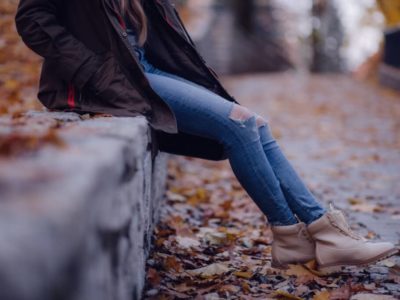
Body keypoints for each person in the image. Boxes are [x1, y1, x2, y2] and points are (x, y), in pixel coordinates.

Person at [15, 0, 397, 274]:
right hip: (102, 81)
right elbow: (32, 18)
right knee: (240, 124)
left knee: (254, 122)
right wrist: (91, 71)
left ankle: (311, 235)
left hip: (141, 68)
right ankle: (300, 234)